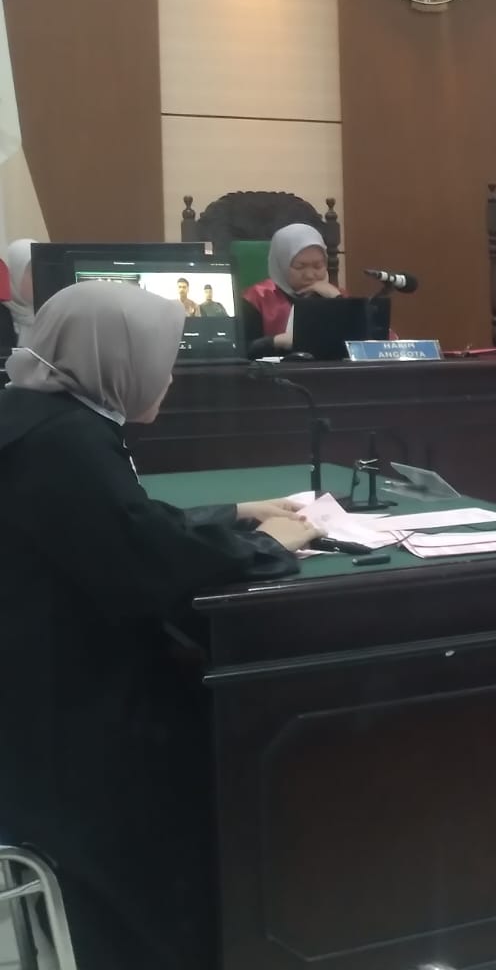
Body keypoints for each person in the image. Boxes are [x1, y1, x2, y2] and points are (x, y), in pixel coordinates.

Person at [0, 281, 323, 970]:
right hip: (72, 727)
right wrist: (269, 545)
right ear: (113, 360)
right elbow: (146, 562)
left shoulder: (37, 411)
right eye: (160, 360)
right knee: (226, 742)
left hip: (35, 685)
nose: (168, 376)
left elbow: (114, 525)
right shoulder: (64, 441)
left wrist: (233, 512)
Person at [240, 223, 341, 357]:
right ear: (282, 264)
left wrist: (338, 300)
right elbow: (240, 350)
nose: (310, 275)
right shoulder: (257, 298)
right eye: (300, 267)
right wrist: (276, 341)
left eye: (318, 266)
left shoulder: (334, 295)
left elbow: (357, 345)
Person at [3, 236, 36, 350]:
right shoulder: (3, 316)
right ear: (13, 274)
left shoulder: (51, 313)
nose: (40, 277)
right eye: (32, 271)